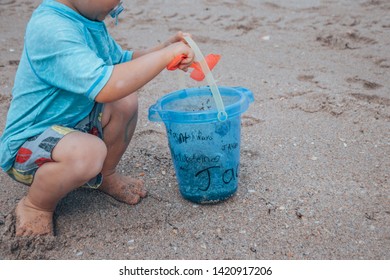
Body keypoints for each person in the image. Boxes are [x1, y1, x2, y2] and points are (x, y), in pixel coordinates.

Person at [0, 0, 195, 236]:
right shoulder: (51, 28)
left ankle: (105, 175)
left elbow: (121, 63)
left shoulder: (88, 19)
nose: (120, 4)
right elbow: (107, 86)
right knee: (88, 152)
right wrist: (165, 56)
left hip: (74, 126)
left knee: (125, 101)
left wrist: (163, 49)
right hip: (30, 145)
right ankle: (36, 204)